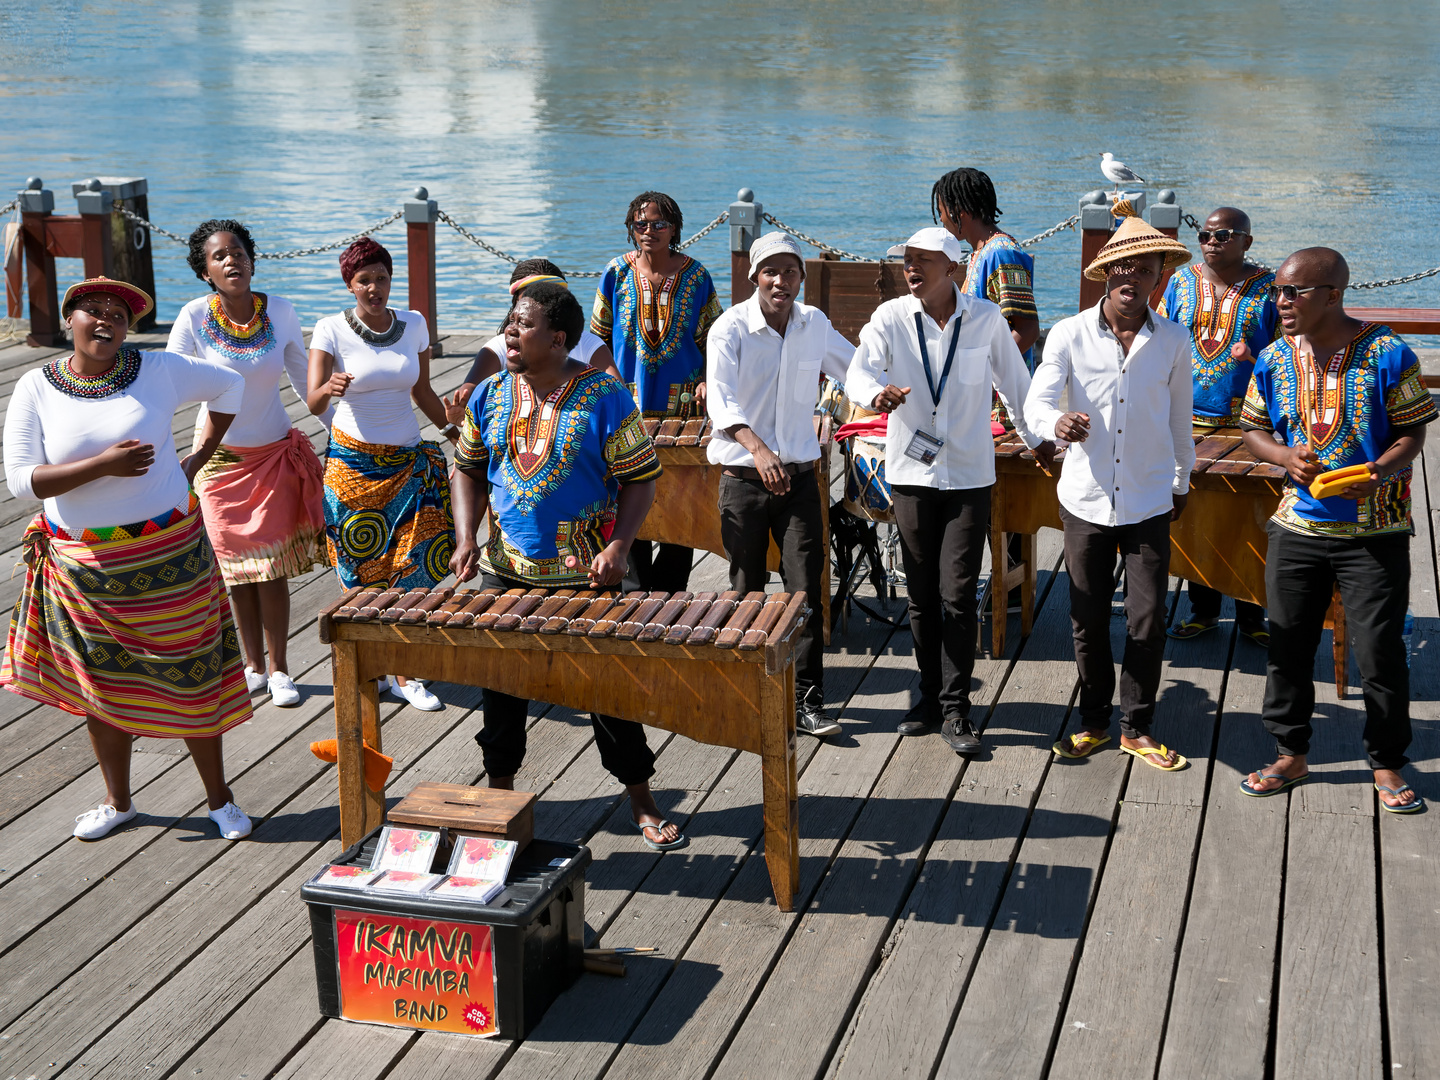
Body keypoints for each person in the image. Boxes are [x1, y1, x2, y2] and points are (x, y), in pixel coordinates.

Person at [1, 278, 255, 840]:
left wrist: (196, 459)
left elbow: (231, 385)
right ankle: (119, 803)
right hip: (87, 567)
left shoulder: (159, 370)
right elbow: (21, 481)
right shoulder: (35, 388)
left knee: (193, 677)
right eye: (93, 310)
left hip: (171, 555)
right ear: (70, 319)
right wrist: (101, 467)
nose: (106, 320)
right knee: (101, 686)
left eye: (118, 313)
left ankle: (220, 799)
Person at [449, 281, 685, 850]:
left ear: (558, 339)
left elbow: (641, 479)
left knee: (608, 691)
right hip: (504, 570)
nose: (510, 330)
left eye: (523, 324)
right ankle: (501, 800)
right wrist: (464, 537)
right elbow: (467, 467)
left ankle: (641, 799)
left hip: (586, 574)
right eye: (510, 320)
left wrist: (620, 547)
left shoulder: (605, 395)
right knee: (500, 689)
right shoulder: (489, 394)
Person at [1237, 247, 1435, 812]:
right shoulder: (1275, 357)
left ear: (1332, 294)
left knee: (1379, 652)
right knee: (1288, 645)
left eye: (1293, 292)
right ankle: (1290, 752)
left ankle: (1388, 762)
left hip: (1376, 529)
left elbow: (1414, 433)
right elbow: (1253, 427)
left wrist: (1378, 471)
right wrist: (1282, 456)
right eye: (1277, 291)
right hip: (1297, 525)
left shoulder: (1388, 353)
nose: (1281, 302)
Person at [847, 227, 1053, 754]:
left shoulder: (985, 320)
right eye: (907, 260)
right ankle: (928, 693)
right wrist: (877, 394)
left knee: (957, 592)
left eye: (923, 260)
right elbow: (857, 372)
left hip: (968, 475)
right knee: (920, 595)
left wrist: (1040, 442)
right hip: (911, 476)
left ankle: (957, 707)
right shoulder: (891, 317)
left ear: (953, 269)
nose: (911, 269)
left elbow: (1017, 387)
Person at [1027, 216, 1195, 772]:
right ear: (1105, 273)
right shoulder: (1067, 333)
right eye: (1122, 267)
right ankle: (1095, 722)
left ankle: (1136, 727)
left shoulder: (1173, 339)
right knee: (1087, 617)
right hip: (1086, 501)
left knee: (1147, 620)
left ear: (1158, 279)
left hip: (1149, 499)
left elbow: (1179, 419)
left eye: (1144, 269)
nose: (1133, 276)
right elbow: (1036, 401)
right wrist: (1056, 424)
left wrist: (1182, 478)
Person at [169, 219, 328, 708]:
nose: (230, 260)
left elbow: (309, 387)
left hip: (274, 453)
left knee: (273, 567)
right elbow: (167, 385)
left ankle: (280, 669)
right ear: (205, 271)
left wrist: (344, 434)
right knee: (236, 570)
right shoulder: (193, 316)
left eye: (237, 251)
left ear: (252, 259)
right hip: (216, 460)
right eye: (218, 256)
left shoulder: (279, 310)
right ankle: (251, 666)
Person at [706, 232, 851, 738]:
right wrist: (758, 448)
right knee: (747, 589)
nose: (781, 281)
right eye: (771, 271)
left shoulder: (815, 324)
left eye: (790, 272)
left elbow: (855, 370)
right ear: (755, 278)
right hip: (744, 480)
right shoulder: (728, 328)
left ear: (800, 279)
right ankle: (750, 697)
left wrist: (851, 404)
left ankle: (807, 701)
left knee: (805, 591)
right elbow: (720, 405)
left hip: (799, 480)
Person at [307, 238, 457, 713]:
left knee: (414, 568)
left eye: (382, 278)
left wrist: (455, 432)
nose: (375, 288)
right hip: (352, 467)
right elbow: (313, 403)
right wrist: (328, 388)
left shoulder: (413, 323)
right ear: (349, 284)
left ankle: (405, 672)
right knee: (363, 569)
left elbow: (423, 389)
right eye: (364, 280)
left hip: (409, 462)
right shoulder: (329, 329)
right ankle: (374, 662)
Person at [591, 191, 723, 592]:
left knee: (682, 503)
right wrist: (611, 383)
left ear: (675, 228)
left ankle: (670, 594)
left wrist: (707, 380)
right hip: (625, 408)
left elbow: (715, 340)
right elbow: (597, 342)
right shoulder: (615, 274)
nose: (649, 231)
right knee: (625, 494)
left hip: (683, 409)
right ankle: (633, 592)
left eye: (658, 223)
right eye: (640, 224)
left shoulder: (697, 277)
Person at [1159, 207, 1277, 644]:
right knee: (1199, 517)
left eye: (1223, 235)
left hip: (1249, 423)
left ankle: (1252, 617)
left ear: (1247, 240)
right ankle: (1203, 610)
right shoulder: (1181, 282)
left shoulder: (1269, 288)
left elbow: (1290, 350)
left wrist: (1256, 354)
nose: (1211, 241)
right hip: (1184, 417)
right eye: (1205, 234)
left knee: (1250, 519)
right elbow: (1160, 337)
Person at [443, 259, 618, 427]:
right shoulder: (499, 346)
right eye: (530, 297)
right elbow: (472, 387)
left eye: (546, 296)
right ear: (516, 304)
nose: (536, 303)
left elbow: (616, 389)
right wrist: (466, 401)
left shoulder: (588, 343)